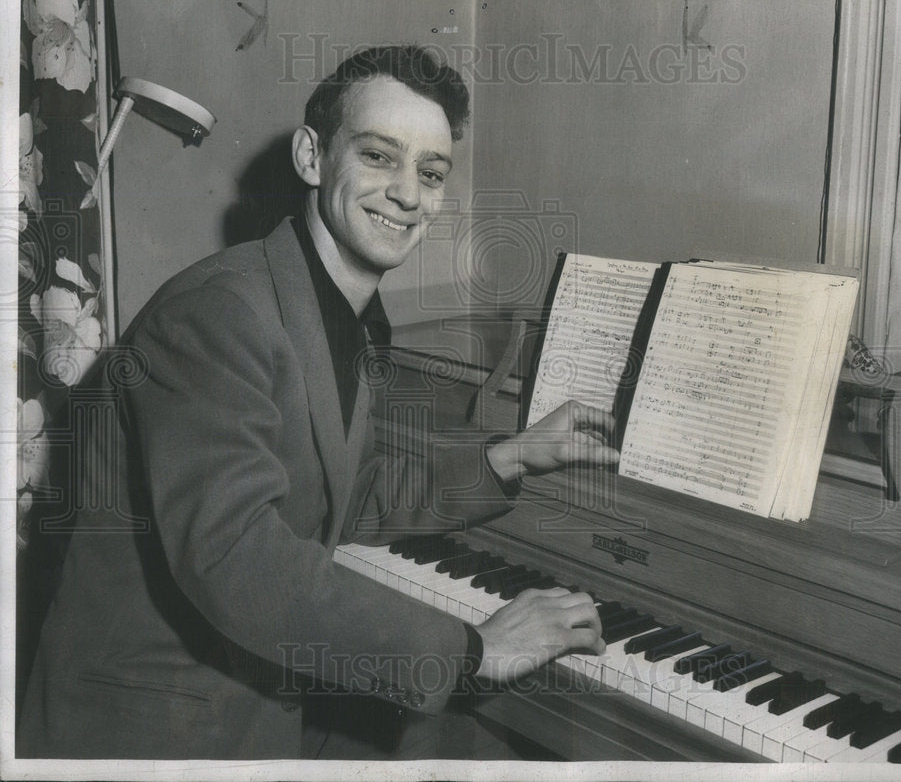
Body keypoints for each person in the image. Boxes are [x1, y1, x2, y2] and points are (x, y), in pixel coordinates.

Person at [18, 45, 619, 760]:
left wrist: (509, 455)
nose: (407, 193)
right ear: (311, 156)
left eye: (430, 173)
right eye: (377, 156)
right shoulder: (219, 312)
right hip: (152, 727)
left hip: (253, 695)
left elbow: (342, 492)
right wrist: (473, 648)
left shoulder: (337, 311)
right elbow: (237, 552)